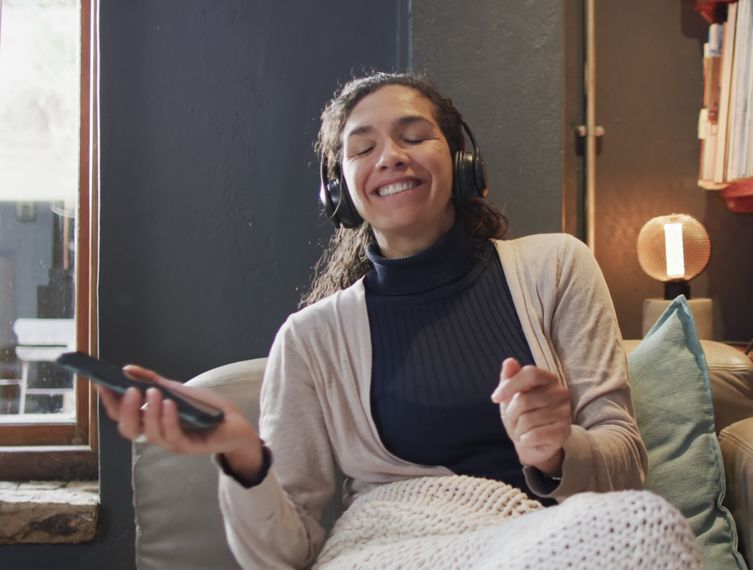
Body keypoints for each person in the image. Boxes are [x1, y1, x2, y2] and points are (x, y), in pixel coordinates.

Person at [99, 72, 647, 568]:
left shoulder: (556, 268)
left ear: (461, 160)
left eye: (413, 137)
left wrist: (557, 452)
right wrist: (241, 453)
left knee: (656, 533)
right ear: (340, 189)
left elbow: (626, 462)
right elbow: (284, 557)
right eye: (363, 148)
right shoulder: (310, 339)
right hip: (387, 549)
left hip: (539, 542)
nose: (390, 157)